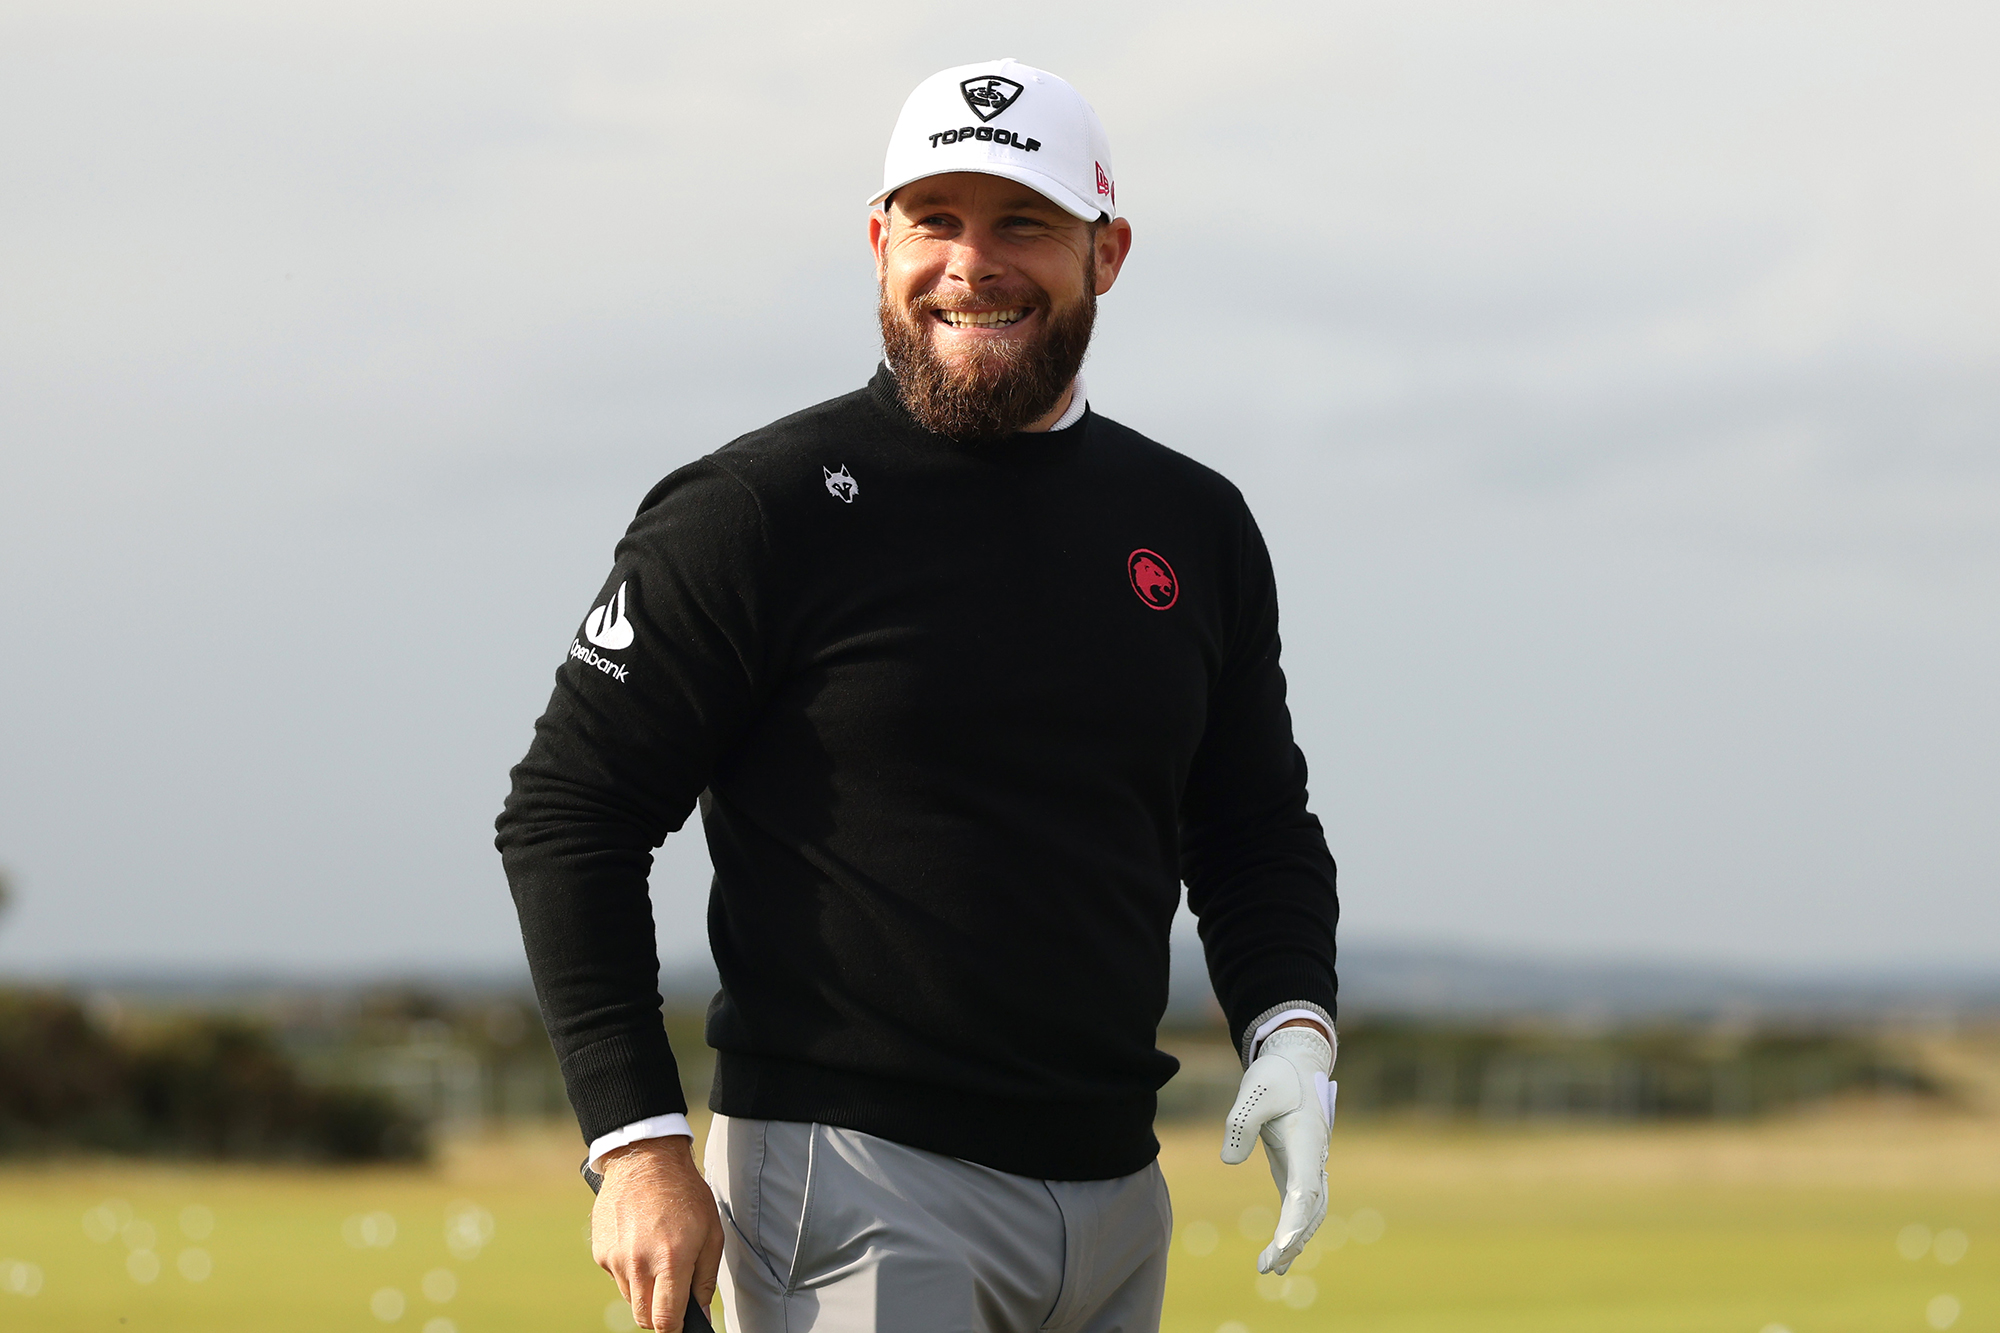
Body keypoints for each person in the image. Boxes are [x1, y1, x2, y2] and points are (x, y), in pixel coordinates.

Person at [496, 58, 1339, 1333]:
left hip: (1117, 1198)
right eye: (934, 220)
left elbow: (1250, 826)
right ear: (878, 240)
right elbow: (570, 812)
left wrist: (1291, 1027)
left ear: (1104, 254)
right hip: (853, 1185)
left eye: (1023, 225)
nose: (970, 264)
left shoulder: (1192, 523)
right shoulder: (754, 508)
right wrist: (637, 1143)